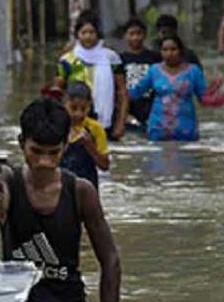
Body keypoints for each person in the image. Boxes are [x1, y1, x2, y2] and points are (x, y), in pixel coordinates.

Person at [0, 97, 120, 302]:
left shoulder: (81, 192)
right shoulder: (8, 180)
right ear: (21, 143)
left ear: (65, 146)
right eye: (36, 151)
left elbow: (110, 261)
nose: (44, 162)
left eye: (54, 153)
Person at [56, 12, 128, 140]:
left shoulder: (111, 58)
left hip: (105, 118)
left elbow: (122, 91)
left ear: (98, 34)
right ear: (77, 35)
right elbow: (59, 91)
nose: (88, 37)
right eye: (84, 33)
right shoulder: (67, 60)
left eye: (92, 32)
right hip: (75, 117)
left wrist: (120, 123)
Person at [129, 34, 210, 142]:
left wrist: (214, 97)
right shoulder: (154, 70)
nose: (169, 53)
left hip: (185, 128)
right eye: (165, 50)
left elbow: (204, 98)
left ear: (180, 51)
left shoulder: (193, 71)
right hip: (158, 128)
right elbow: (137, 92)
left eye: (173, 49)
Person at [57, 83, 110, 189]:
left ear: (90, 106)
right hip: (60, 186)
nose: (78, 114)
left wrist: (90, 147)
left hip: (87, 186)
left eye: (84, 109)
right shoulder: (56, 126)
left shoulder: (95, 128)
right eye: (73, 108)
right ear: (63, 103)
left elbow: (105, 165)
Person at [118, 17, 162, 130]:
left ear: (145, 35)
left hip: (151, 106)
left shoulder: (155, 57)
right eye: (131, 34)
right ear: (125, 36)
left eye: (139, 33)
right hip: (129, 107)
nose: (135, 37)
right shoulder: (120, 59)